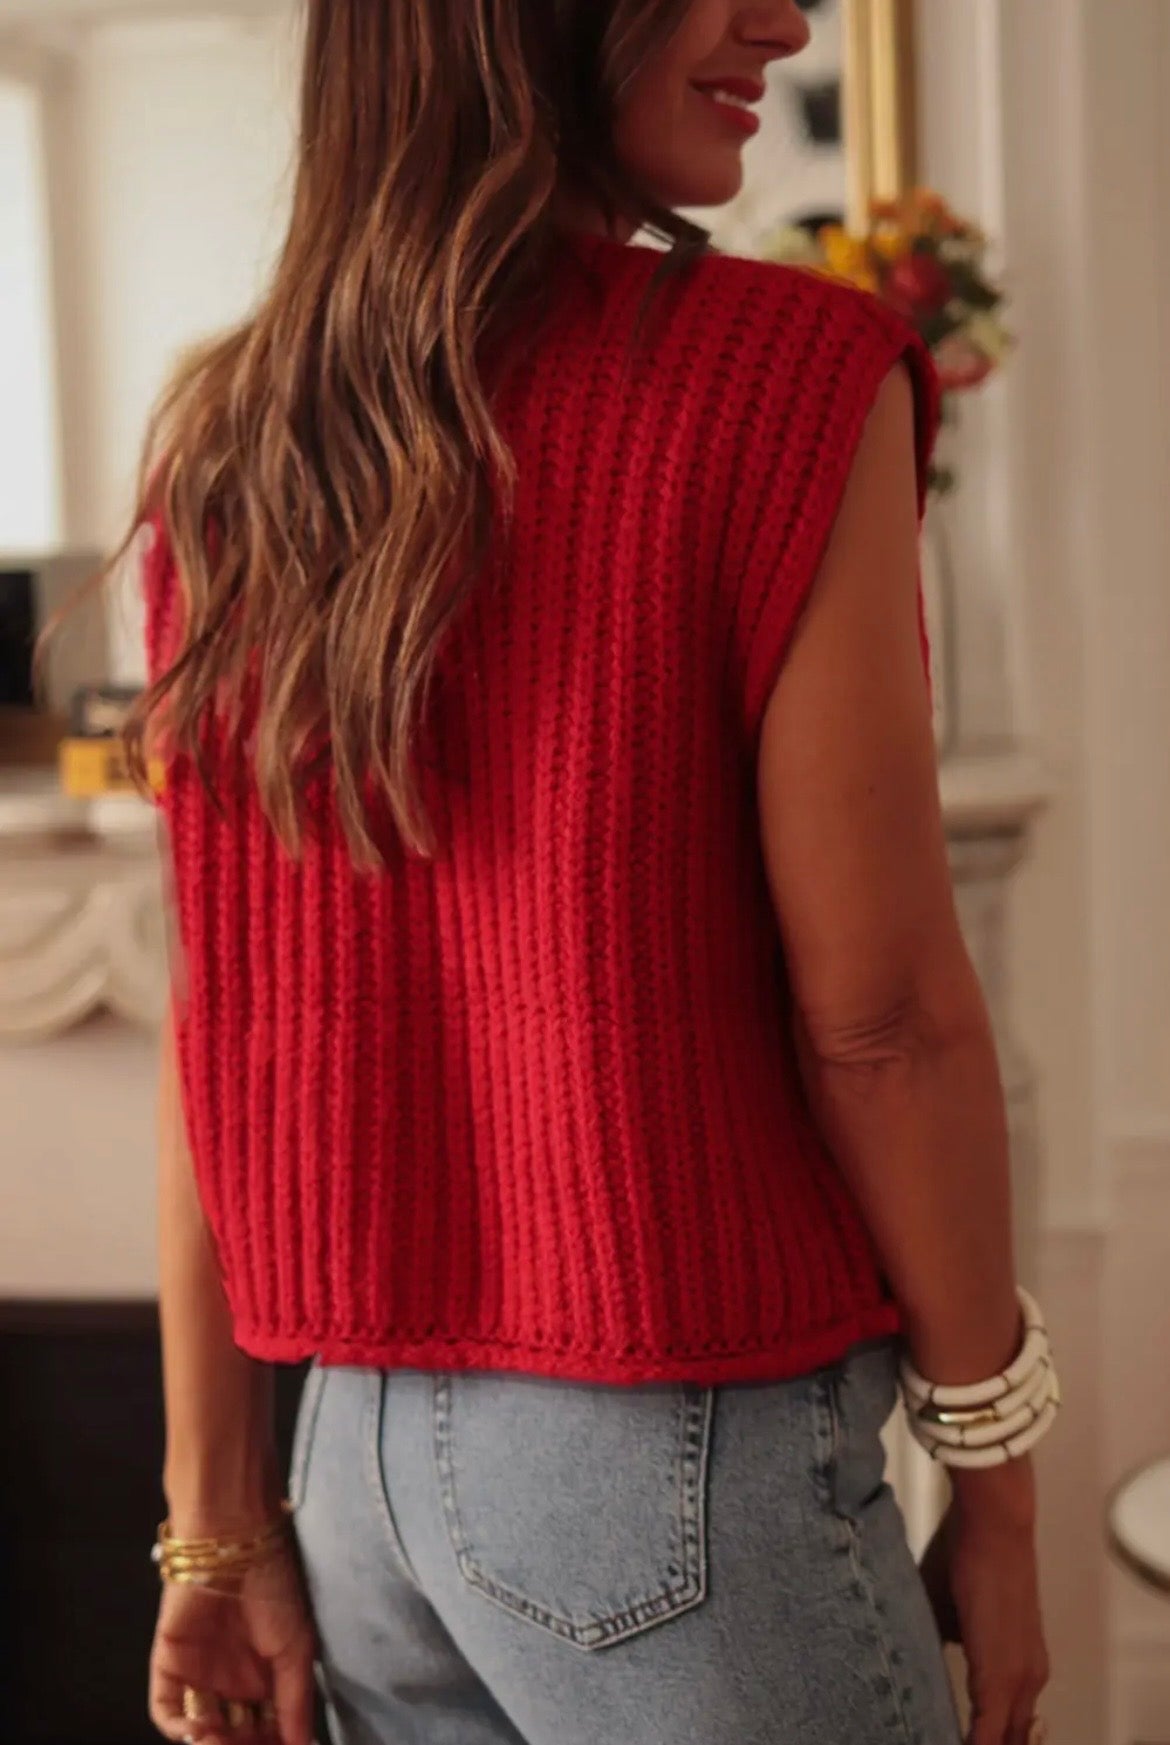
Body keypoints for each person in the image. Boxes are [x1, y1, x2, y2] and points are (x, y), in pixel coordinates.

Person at [128, 4, 1054, 1744]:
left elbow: (224, 1046)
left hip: (352, 1481)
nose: (779, 18)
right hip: (671, 1462)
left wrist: (215, 1519)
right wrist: (992, 1471)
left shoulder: (232, 440)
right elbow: (885, 1025)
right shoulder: (782, 380)